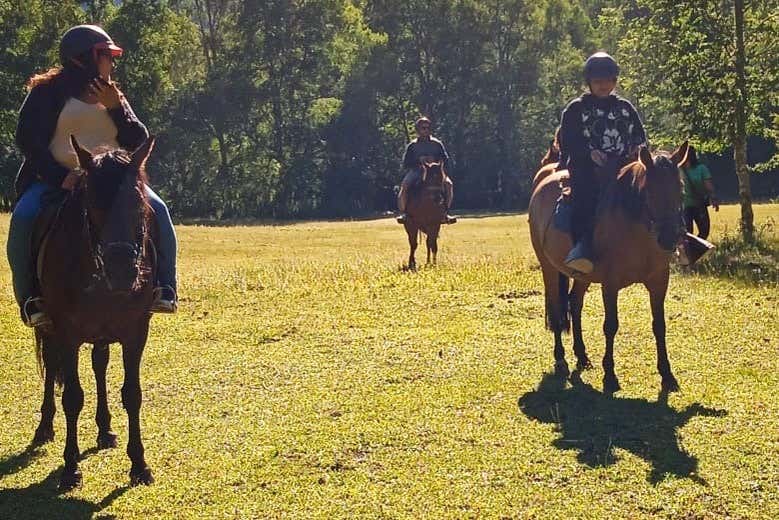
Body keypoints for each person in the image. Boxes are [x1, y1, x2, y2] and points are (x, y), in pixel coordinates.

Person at [7, 24, 178, 328]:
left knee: (160, 212)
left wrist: (117, 109)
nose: (112, 62)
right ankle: (31, 298)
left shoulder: (112, 93)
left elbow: (138, 140)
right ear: (82, 58)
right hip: (53, 180)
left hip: (111, 184)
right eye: (106, 55)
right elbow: (27, 140)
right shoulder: (47, 93)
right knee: (22, 219)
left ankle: (164, 287)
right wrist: (61, 175)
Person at [558, 52, 648, 274]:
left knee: (657, 194)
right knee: (585, 200)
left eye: (608, 81)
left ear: (615, 81)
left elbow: (639, 135)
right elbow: (567, 141)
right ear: (589, 83)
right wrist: (589, 154)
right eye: (598, 81)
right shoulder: (575, 109)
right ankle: (583, 249)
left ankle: (674, 240)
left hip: (624, 167)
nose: (603, 86)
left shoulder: (625, 108)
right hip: (588, 169)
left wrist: (637, 148)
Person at [396, 116, 456, 225]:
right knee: (404, 185)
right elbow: (406, 163)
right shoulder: (412, 146)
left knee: (449, 184)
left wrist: (437, 162)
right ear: (418, 129)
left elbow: (445, 159)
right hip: (417, 171)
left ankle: (446, 213)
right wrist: (418, 161)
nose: (426, 130)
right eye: (423, 128)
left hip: (435, 172)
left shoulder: (437, 144)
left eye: (428, 128)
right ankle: (404, 213)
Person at [680, 145, 719, 239]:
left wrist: (713, 198)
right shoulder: (678, 170)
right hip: (684, 207)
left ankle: (695, 249)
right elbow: (709, 186)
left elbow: (709, 186)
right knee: (687, 233)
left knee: (704, 231)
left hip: (699, 204)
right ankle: (691, 251)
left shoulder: (701, 169)